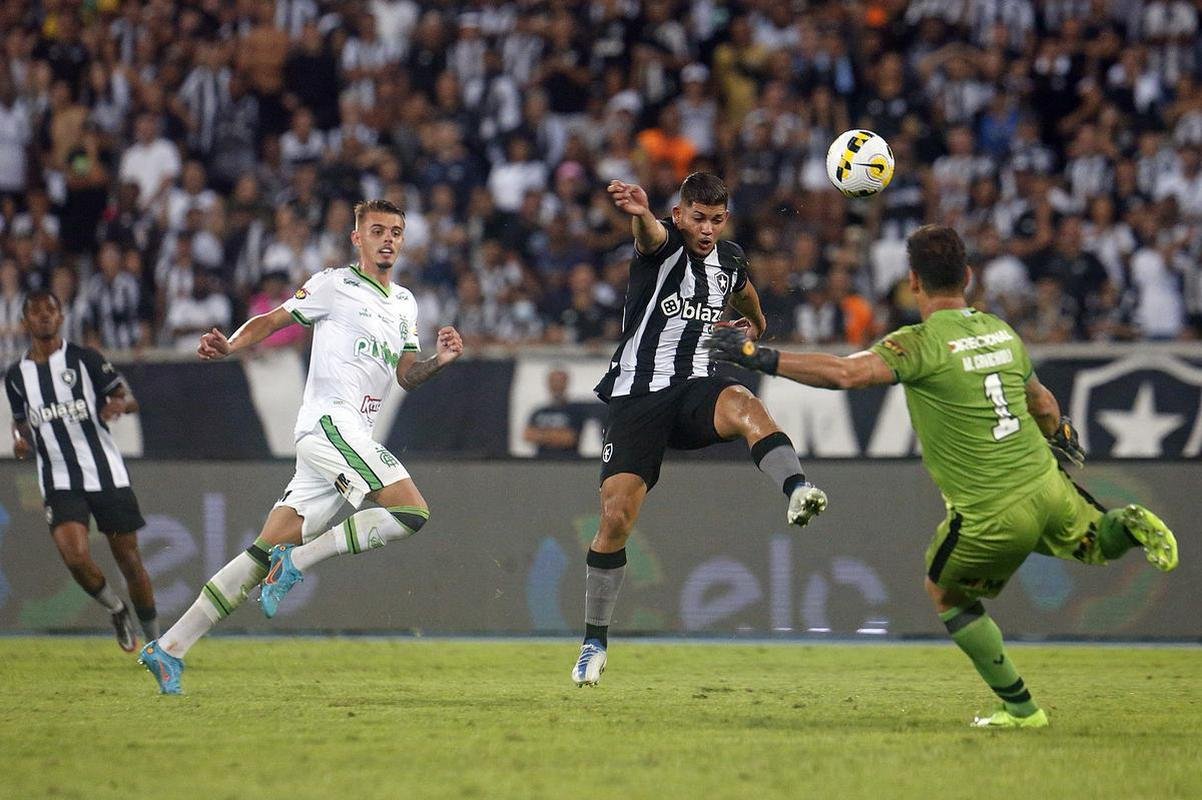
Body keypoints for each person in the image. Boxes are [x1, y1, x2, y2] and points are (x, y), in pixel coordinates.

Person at [709, 225, 1179, 729]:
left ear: (913, 281)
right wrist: (1062, 431)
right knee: (1097, 547)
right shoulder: (1002, 332)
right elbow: (1043, 405)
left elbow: (846, 375)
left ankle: (1021, 708)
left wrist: (760, 358)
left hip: (991, 509)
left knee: (947, 593)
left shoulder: (920, 343)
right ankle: (1125, 524)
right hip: (1048, 484)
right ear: (969, 277)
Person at [138, 199, 464, 694]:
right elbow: (272, 320)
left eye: (396, 231)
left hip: (349, 438)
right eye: (377, 230)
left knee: (261, 552)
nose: (389, 239)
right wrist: (230, 344)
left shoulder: (405, 305)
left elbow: (405, 376)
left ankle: (169, 648)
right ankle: (300, 563)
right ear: (358, 238)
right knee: (411, 512)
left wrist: (438, 361)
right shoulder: (334, 284)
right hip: (330, 425)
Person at [571, 174, 828, 687]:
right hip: (637, 396)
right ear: (680, 214)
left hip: (693, 388)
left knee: (743, 402)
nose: (706, 230)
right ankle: (594, 641)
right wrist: (641, 213)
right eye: (697, 218)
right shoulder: (660, 247)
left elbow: (752, 306)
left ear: (724, 220)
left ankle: (797, 489)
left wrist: (751, 329)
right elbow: (648, 235)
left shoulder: (730, 261)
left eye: (715, 220)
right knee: (616, 517)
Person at [4, 289, 158, 652]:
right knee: (74, 556)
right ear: (25, 322)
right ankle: (116, 609)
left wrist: (117, 405)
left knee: (130, 562)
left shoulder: (86, 359)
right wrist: (20, 440)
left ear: (60, 318)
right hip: (58, 476)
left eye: (50, 311)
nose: (43, 316)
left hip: (104, 471)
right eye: (36, 312)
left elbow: (127, 397)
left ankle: (157, 645)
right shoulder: (16, 375)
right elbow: (20, 423)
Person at [523, 367, 584, 458]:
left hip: (568, 461)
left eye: (560, 381)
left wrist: (541, 435)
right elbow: (528, 435)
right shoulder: (539, 411)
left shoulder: (575, 411)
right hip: (541, 461)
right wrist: (554, 435)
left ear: (566, 383)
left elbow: (569, 438)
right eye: (553, 381)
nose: (556, 385)